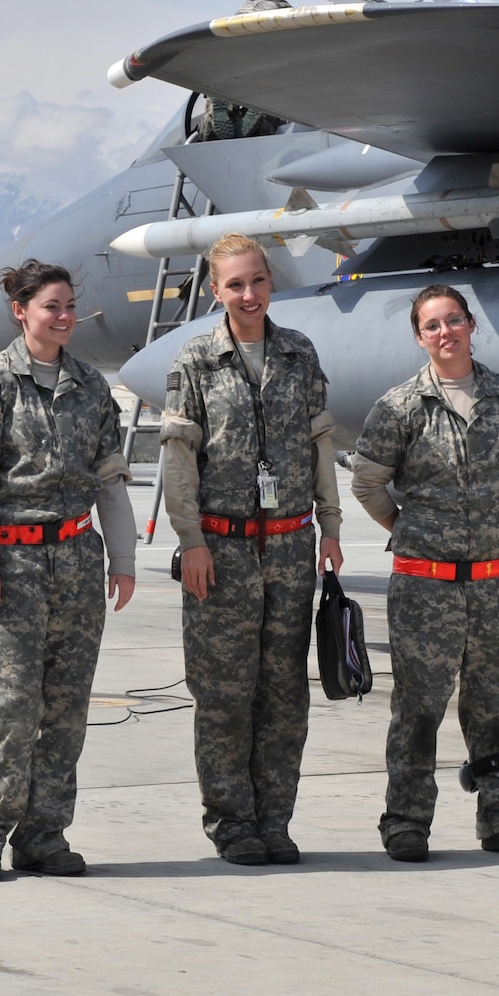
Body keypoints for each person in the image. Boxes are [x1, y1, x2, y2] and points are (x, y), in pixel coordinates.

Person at [0, 260, 138, 881]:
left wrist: (124, 561)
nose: (62, 317)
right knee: (6, 705)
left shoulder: (90, 386)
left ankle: (44, 834)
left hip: (77, 561)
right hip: (10, 561)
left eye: (68, 306)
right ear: (20, 310)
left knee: (65, 706)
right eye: (50, 306)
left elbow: (110, 481)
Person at [159, 234, 343, 865]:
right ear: (216, 291)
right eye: (234, 284)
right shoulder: (196, 361)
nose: (248, 294)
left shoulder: (299, 353)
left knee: (285, 692)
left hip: (291, 546)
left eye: (257, 281)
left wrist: (332, 528)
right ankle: (233, 823)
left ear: (271, 283)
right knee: (223, 693)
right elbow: (179, 458)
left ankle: (276, 819)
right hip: (224, 547)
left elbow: (321, 445)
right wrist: (191, 543)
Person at [350, 285, 499, 863]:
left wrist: (490, 518)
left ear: (470, 325)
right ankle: (407, 821)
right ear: (420, 336)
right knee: (418, 706)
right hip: (425, 584)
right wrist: (410, 528)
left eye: (453, 320)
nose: (445, 333)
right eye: (432, 325)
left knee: (493, 703)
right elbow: (367, 482)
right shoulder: (399, 407)